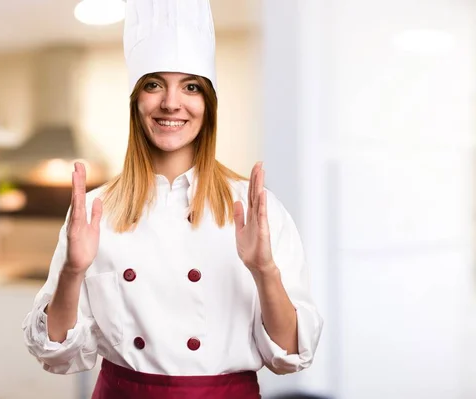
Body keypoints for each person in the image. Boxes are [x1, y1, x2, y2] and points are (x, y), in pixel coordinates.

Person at [22, 0, 324, 397]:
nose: (170, 102)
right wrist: (72, 273)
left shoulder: (254, 209)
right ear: (136, 102)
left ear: (208, 105)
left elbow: (289, 355)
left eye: (191, 86)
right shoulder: (96, 210)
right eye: (153, 84)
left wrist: (264, 269)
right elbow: (57, 355)